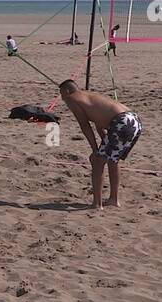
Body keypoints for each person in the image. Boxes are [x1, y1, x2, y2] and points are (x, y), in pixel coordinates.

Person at [59, 79, 142, 209]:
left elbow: (84, 125)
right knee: (112, 160)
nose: (62, 98)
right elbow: (100, 125)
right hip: (134, 119)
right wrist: (102, 146)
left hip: (121, 121)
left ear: (67, 91)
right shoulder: (90, 97)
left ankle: (97, 204)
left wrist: (95, 150)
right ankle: (114, 200)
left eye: (61, 94)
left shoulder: (72, 99)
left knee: (97, 161)